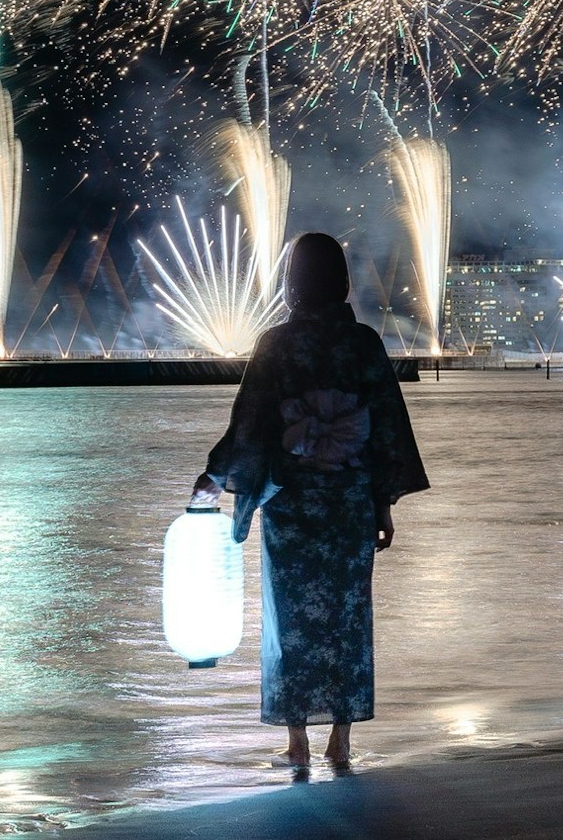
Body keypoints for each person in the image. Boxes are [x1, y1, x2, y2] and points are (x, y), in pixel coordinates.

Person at [190, 231, 429, 770]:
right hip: (348, 500)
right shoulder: (364, 343)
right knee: (347, 617)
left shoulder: (277, 344)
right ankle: (340, 741)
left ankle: (296, 744)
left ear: (292, 282)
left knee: (290, 620)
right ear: (341, 281)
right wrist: (383, 505)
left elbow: (251, 422)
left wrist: (214, 476)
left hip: (291, 503)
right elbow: (387, 427)